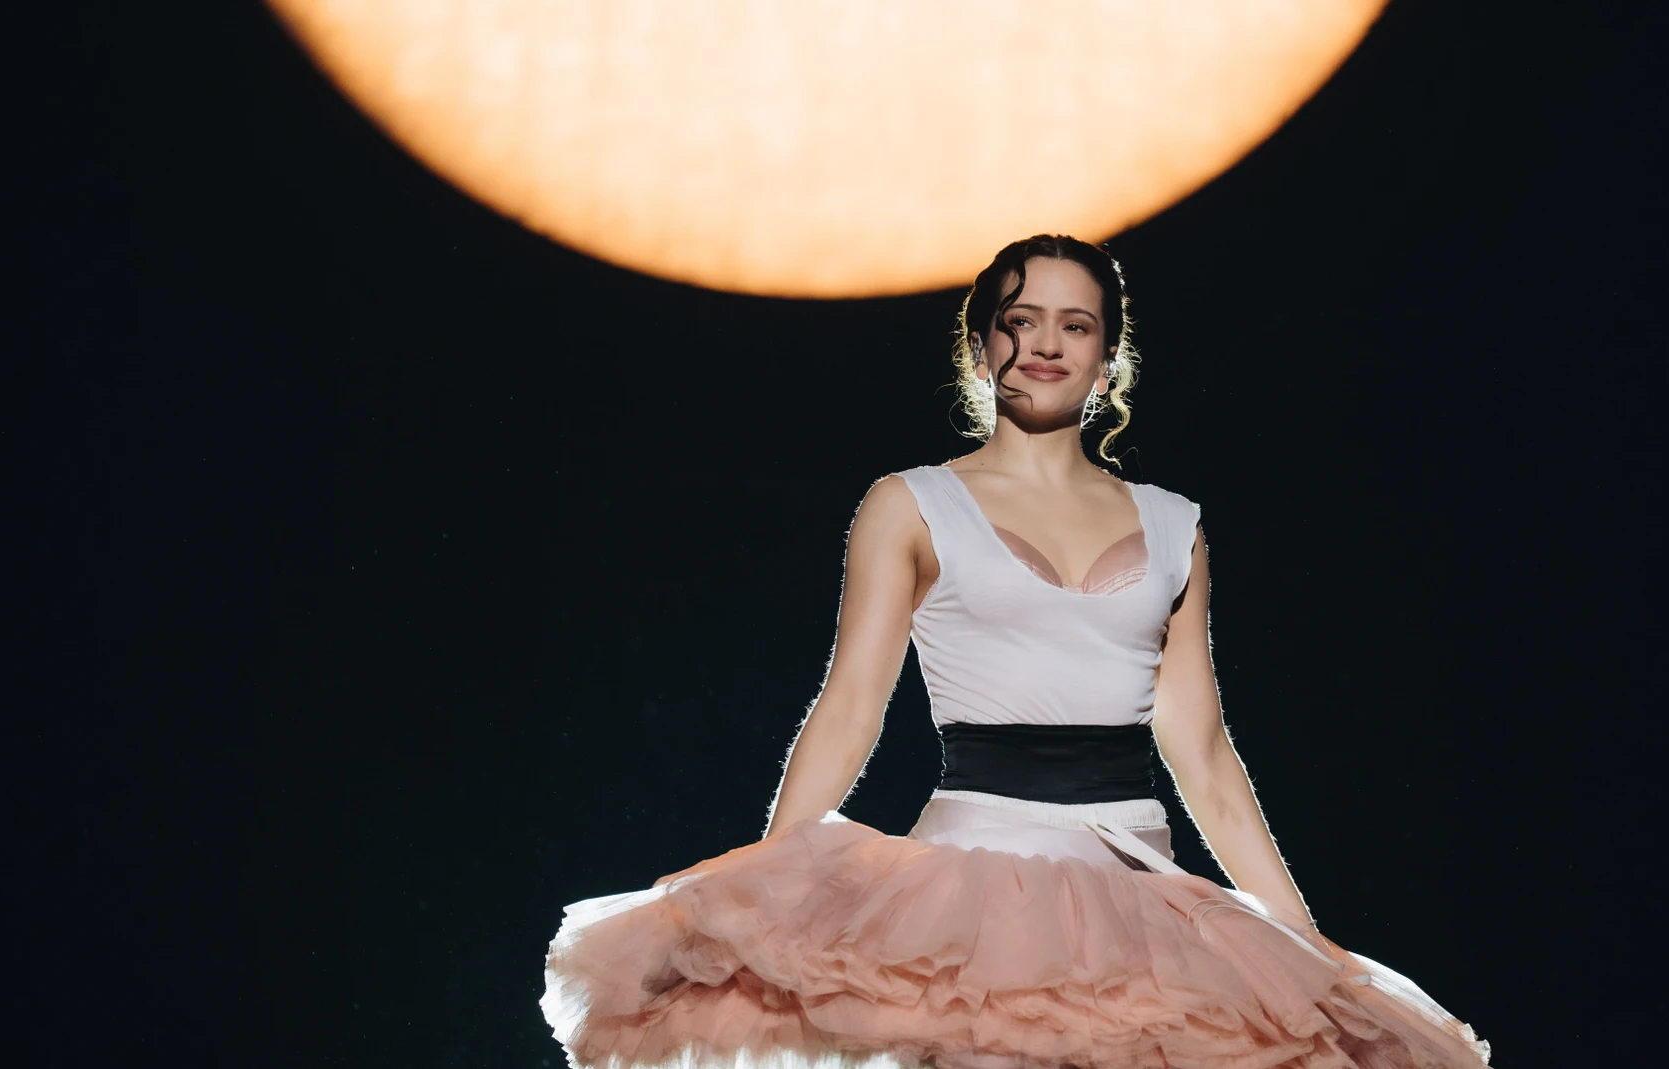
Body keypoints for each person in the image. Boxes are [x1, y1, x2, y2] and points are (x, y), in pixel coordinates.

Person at [541, 235, 1493, 1069]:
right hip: (970, 891)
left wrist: (1299, 935)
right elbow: (851, 704)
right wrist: (760, 888)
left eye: (1074, 325)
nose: (1044, 344)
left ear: (1108, 354)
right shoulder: (911, 503)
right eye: (1021, 318)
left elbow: (1200, 749)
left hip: (1141, 899)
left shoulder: (1174, 528)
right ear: (981, 340)